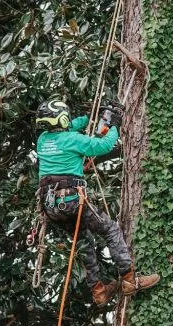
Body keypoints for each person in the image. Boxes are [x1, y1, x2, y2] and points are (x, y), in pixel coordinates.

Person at [35, 99, 160, 307]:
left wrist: (86, 117)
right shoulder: (73, 140)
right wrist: (114, 126)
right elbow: (103, 145)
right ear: (62, 118)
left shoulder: (43, 140)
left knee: (84, 241)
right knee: (110, 229)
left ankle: (98, 291)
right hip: (72, 200)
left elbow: (69, 128)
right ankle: (129, 280)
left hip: (52, 208)